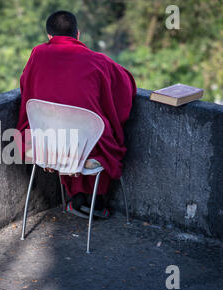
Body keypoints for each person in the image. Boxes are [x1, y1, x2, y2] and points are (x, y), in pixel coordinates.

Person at [16, 10, 136, 219]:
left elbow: (25, 87)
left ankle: (78, 200)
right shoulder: (98, 61)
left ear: (49, 37)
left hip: (47, 146)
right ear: (77, 34)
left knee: (68, 129)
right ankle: (95, 203)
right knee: (99, 131)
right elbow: (126, 86)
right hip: (85, 147)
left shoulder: (37, 54)